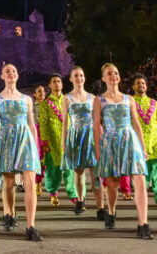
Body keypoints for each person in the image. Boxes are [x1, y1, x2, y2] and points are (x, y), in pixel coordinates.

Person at [92, 64, 152, 239]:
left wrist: (143, 148)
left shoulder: (129, 99)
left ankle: (143, 224)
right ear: (104, 78)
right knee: (112, 184)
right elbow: (96, 125)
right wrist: (98, 148)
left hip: (130, 140)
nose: (114, 76)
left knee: (140, 180)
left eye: (116, 73)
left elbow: (136, 124)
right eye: (109, 73)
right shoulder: (99, 100)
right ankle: (111, 211)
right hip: (110, 142)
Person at [0, 64, 43, 241]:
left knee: (30, 181)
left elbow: (31, 124)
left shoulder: (27, 99)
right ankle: (9, 214)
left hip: (25, 139)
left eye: (14, 71)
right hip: (6, 140)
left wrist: (36, 148)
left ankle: (31, 226)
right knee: (9, 182)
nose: (11, 73)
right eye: (7, 71)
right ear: (2, 76)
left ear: (17, 76)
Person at [60, 67, 102, 217]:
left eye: (81, 75)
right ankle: (80, 199)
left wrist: (101, 140)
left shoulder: (93, 98)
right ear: (71, 79)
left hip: (91, 136)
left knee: (96, 173)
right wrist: (64, 143)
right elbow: (65, 123)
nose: (79, 78)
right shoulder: (66, 98)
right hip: (75, 136)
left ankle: (100, 206)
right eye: (76, 76)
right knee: (78, 171)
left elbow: (97, 122)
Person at [132, 75, 157, 210]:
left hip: (156, 144)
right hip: (139, 144)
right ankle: (141, 200)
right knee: (141, 176)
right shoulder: (130, 102)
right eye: (138, 83)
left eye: (143, 83)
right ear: (133, 86)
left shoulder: (154, 103)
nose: (141, 85)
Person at [38, 74, 77, 208]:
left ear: (62, 84)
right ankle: (53, 192)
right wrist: (44, 141)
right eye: (54, 81)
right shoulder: (45, 103)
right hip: (53, 140)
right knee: (53, 169)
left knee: (70, 168)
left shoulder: (69, 100)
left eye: (59, 81)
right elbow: (43, 124)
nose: (57, 83)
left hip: (69, 139)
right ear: (50, 85)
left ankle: (74, 195)